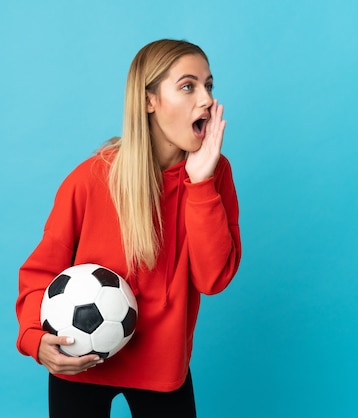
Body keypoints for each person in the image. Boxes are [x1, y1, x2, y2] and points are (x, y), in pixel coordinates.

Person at [16, 39, 242, 418]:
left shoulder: (215, 174)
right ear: (149, 100)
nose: (205, 99)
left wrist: (200, 184)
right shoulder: (90, 179)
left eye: (209, 86)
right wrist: (34, 339)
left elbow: (212, 279)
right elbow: (40, 272)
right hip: (80, 363)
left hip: (162, 371)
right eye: (188, 86)